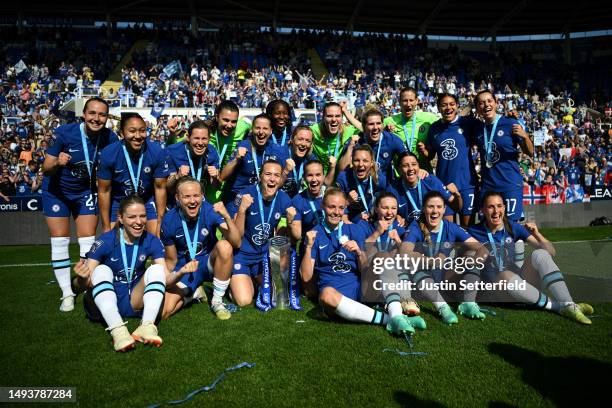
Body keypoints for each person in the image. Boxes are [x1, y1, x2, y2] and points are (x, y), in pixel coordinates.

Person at [300, 188, 415, 336]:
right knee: (326, 295)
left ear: (345, 208)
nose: (336, 212)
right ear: (322, 206)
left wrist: (359, 253)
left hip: (360, 290)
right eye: (331, 207)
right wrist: (308, 246)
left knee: (383, 257)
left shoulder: (354, 229)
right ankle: (390, 319)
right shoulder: (314, 234)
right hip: (335, 295)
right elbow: (306, 278)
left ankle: (397, 315)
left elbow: (364, 270)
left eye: (341, 208)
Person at [467, 191, 593, 324]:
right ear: (483, 210)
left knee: (540, 254)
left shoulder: (513, 227)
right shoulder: (473, 232)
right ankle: (558, 307)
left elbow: (551, 252)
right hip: (495, 291)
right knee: (505, 275)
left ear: (504, 207)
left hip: (519, 284)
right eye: (491, 206)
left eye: (499, 206)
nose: (496, 211)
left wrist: (537, 234)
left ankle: (568, 304)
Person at [41, 97, 118, 312]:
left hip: (86, 192)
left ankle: (84, 286)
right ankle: (66, 292)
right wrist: (58, 162)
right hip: (57, 192)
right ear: (84, 114)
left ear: (107, 117)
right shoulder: (65, 133)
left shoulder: (110, 137)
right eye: (92, 113)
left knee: (87, 241)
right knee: (60, 240)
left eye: (102, 114)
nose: (96, 118)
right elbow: (46, 168)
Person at [73, 196, 172, 352]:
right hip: (102, 304)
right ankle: (118, 331)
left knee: (157, 269)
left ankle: (146, 326)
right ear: (120, 218)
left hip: (133, 301)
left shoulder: (151, 240)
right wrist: (81, 278)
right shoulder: (105, 241)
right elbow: (80, 287)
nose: (139, 222)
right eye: (132, 217)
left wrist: (181, 274)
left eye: (143, 216)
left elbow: (165, 277)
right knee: (101, 270)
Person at [160, 177, 241, 319]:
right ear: (178, 198)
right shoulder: (168, 221)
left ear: (202, 196)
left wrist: (227, 216)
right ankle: (193, 293)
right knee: (164, 312)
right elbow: (171, 260)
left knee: (225, 246)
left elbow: (236, 242)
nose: (192, 201)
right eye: (187, 197)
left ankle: (217, 301)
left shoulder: (208, 210)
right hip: (184, 268)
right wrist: (169, 280)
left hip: (207, 264)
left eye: (196, 196)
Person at [400, 191, 481, 325]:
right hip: (422, 283)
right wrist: (428, 261)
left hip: (446, 279)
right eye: (430, 206)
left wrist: (471, 259)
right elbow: (404, 252)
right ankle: (443, 308)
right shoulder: (416, 226)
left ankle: (468, 303)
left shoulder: (451, 227)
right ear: (424, 209)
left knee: (472, 255)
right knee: (416, 267)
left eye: (438, 207)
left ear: (444, 209)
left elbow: (480, 247)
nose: (434, 211)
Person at [226, 160, 293, 306]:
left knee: (278, 294)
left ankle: (255, 282)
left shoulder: (283, 199)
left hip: (263, 256)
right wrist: (242, 210)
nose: (272, 179)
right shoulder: (245, 195)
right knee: (243, 301)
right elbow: (236, 237)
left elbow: (282, 238)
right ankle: (234, 284)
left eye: (277, 175)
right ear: (260, 176)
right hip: (241, 255)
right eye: (268, 174)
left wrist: (290, 223)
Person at [97, 113, 169, 236]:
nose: (138, 136)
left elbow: (160, 188)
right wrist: (105, 226)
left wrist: (160, 222)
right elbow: (104, 191)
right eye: (132, 131)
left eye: (142, 131)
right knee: (114, 242)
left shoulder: (156, 151)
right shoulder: (109, 153)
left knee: (158, 238)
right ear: (121, 133)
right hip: (119, 201)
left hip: (146, 200)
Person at [473, 90, 534, 221]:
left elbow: (530, 152)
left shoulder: (510, 123)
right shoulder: (477, 129)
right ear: (477, 108)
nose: (486, 105)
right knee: (488, 227)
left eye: (489, 101)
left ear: (496, 103)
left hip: (509, 183)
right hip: (488, 185)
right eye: (481, 103)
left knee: (511, 226)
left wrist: (525, 136)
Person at [419, 93, 476, 226]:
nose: (448, 108)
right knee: (447, 229)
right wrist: (424, 151)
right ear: (438, 108)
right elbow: (430, 155)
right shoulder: (434, 128)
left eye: (451, 104)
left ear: (457, 106)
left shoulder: (467, 123)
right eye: (444, 105)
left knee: (467, 229)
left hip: (467, 184)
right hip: (444, 184)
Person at [219, 113, 289, 204]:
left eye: (265, 128)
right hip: (237, 197)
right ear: (252, 130)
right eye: (257, 128)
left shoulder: (277, 150)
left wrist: (286, 171)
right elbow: (222, 177)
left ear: (271, 131)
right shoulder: (243, 146)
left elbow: (278, 184)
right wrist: (236, 159)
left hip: (262, 200)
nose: (261, 132)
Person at [388, 151, 461, 224]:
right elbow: (386, 213)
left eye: (414, 164)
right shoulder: (393, 189)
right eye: (405, 166)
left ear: (418, 166)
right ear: (399, 169)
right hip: (409, 230)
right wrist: (396, 216)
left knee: (446, 209)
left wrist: (457, 195)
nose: (411, 168)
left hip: (433, 227)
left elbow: (457, 207)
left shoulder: (431, 181)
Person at [339, 108, 406, 181]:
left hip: (385, 187)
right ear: (364, 127)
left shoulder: (392, 139)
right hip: (360, 186)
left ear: (382, 125)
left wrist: (419, 170)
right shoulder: (355, 141)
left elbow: (408, 158)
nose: (375, 127)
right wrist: (350, 148)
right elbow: (342, 170)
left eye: (378, 123)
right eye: (371, 124)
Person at [384, 87, 439, 171]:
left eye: (411, 100)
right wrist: (385, 133)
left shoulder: (429, 118)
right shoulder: (389, 121)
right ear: (399, 102)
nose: (408, 104)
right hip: (400, 177)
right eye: (405, 100)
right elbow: (367, 129)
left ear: (417, 101)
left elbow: (451, 123)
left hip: (424, 175)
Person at [166, 120, 220, 204]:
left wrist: (215, 177)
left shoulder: (211, 151)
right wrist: (177, 176)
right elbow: (168, 188)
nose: (200, 143)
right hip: (177, 204)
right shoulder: (173, 151)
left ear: (209, 139)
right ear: (188, 137)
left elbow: (216, 187)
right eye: (196, 138)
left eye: (204, 139)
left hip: (199, 203)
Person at [336, 145, 388, 223]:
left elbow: (386, 201)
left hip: (371, 217)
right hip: (350, 218)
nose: (360, 164)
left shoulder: (379, 179)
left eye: (365, 161)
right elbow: (335, 207)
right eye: (357, 160)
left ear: (371, 163)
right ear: (351, 161)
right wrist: (347, 201)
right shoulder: (343, 178)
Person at [310, 102, 360, 174]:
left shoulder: (346, 130)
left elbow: (365, 129)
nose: (334, 119)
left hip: (338, 179)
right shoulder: (315, 129)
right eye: (329, 116)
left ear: (342, 117)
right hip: (318, 177)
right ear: (323, 117)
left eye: (337, 116)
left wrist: (346, 112)